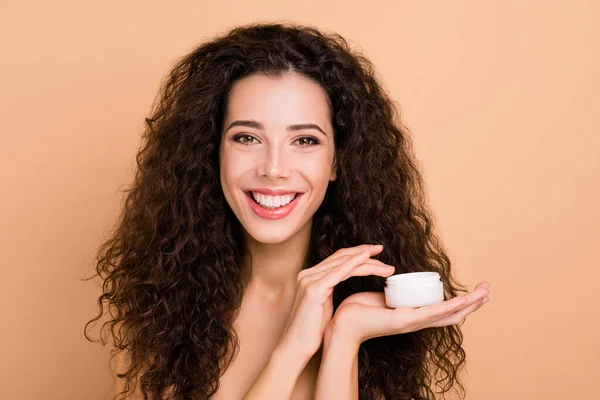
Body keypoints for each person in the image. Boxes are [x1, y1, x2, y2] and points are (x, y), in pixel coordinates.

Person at [84, 21, 490, 400]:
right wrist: (294, 346)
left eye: (305, 141)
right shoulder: (157, 302)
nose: (273, 169)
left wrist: (344, 335)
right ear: (213, 153)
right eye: (246, 137)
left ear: (337, 162)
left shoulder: (374, 309)